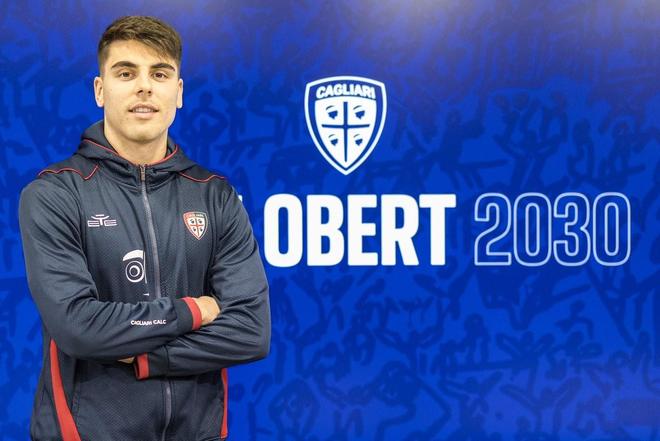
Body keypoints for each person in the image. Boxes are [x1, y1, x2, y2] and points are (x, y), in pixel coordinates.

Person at [18, 16, 270, 441]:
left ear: (179, 92)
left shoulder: (215, 195)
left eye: (159, 74)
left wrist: (146, 359)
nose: (144, 87)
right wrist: (193, 311)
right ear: (100, 90)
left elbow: (250, 331)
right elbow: (79, 327)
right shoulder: (55, 193)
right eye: (125, 73)